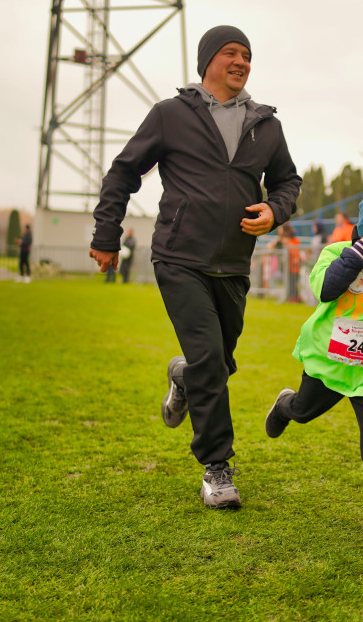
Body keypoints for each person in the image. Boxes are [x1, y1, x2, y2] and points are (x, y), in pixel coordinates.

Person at [89, 25, 302, 508]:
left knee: (218, 364)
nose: (241, 61)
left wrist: (275, 210)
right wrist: (106, 235)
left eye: (247, 55)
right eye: (230, 52)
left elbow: (288, 181)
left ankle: (183, 376)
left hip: (233, 265)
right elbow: (123, 172)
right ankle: (217, 467)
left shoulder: (266, 124)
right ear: (207, 60)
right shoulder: (170, 116)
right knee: (211, 361)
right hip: (179, 257)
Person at [265, 185, 363, 538]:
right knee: (304, 412)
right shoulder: (335, 252)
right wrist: (359, 252)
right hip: (328, 360)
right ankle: (286, 406)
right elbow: (327, 290)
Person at [269, 223, 303, 303]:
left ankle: (295, 298)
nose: (279, 230)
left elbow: (296, 254)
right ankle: (292, 298)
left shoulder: (292, 241)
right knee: (290, 284)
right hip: (288, 266)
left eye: (280, 228)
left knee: (293, 284)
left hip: (294, 266)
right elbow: (270, 246)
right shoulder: (282, 240)